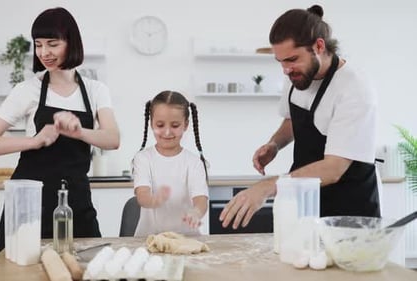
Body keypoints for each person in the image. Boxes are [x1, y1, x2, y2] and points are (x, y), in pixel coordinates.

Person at [220, 4, 380, 230]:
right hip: (306, 204)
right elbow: (293, 120)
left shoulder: (354, 88)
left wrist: (267, 187)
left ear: (319, 46)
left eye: (292, 59)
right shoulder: (296, 75)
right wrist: (275, 144)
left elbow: (333, 168)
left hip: (349, 214)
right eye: (281, 62)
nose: (286, 69)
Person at [0, 7, 120, 254]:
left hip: (76, 200)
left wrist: (79, 132)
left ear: (71, 43)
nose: (44, 53)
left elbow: (112, 139)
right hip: (28, 203)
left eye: (52, 44)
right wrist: (35, 140)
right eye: (38, 44)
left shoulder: (96, 90)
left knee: (83, 267)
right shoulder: (27, 90)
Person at [132, 91, 209, 237]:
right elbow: (142, 196)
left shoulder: (193, 162)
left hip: (187, 239)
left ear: (185, 125)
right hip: (149, 239)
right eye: (160, 125)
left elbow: (201, 200)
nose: (167, 132)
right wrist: (154, 200)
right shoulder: (143, 158)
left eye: (175, 125)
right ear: (151, 123)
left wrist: (196, 212)